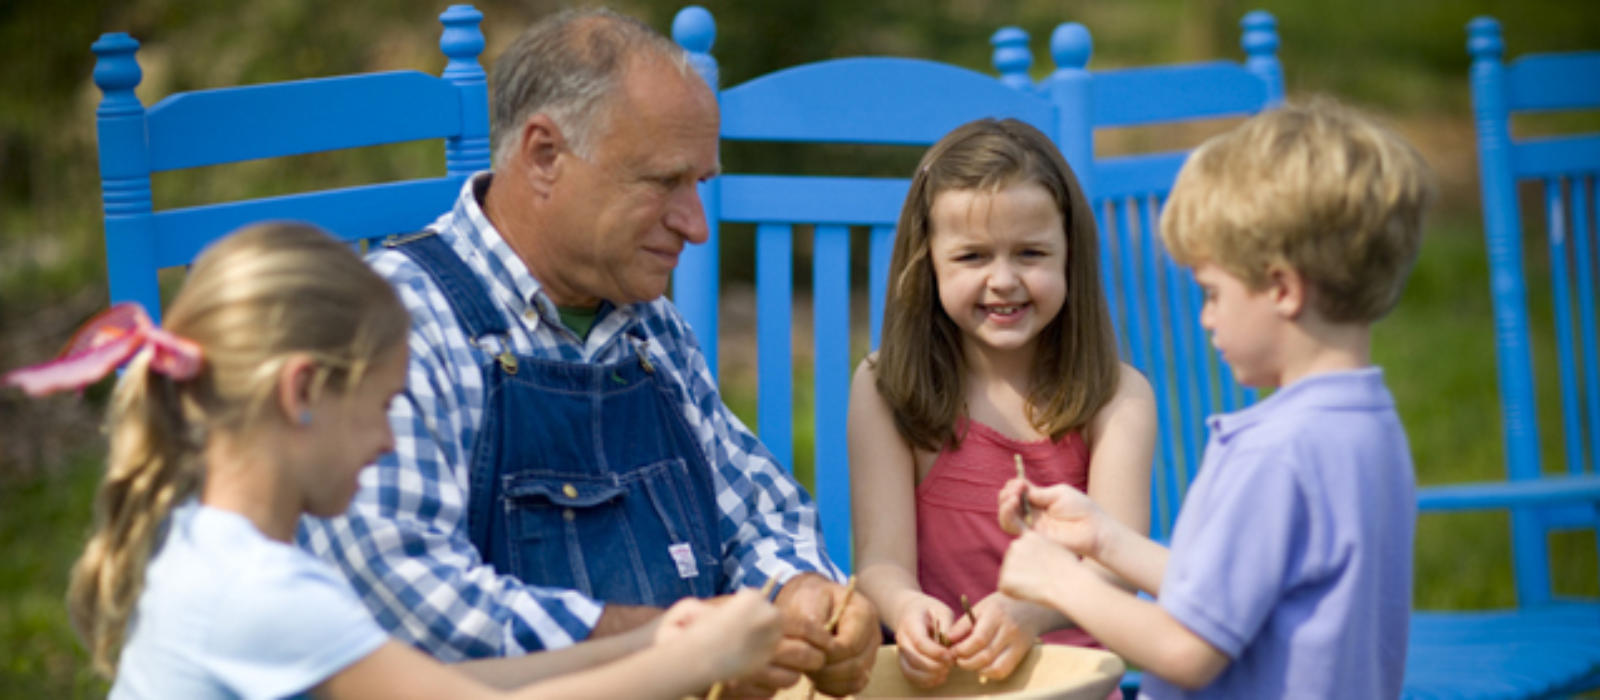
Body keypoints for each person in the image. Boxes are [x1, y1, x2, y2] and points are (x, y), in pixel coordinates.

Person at [296, 8, 878, 697]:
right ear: (544, 156)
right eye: (663, 182)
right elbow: (403, 597)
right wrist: (672, 644)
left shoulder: (647, 326)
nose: (695, 225)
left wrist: (805, 595)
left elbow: (761, 516)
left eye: (700, 184)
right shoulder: (396, 323)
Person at [4, 223, 782, 699]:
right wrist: (696, 661)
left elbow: (442, 688)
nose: (388, 441)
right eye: (380, 406)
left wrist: (654, 639)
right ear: (302, 392)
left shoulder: (219, 546)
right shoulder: (258, 591)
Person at [995, 99, 1433, 698]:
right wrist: (1104, 540)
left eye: (1211, 292)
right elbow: (1233, 594)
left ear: (1281, 288)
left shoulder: (1274, 451)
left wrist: (1059, 583)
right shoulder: (1370, 426)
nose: (1205, 318)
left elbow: (1186, 649)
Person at [847, 117, 1156, 689]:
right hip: (941, 687)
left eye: (1031, 253)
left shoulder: (1117, 398)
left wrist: (1030, 612)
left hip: (1071, 686)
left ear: (1070, 257)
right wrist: (907, 610)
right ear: (929, 262)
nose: (1004, 280)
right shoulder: (885, 387)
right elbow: (881, 561)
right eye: (972, 257)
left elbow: (1115, 571)